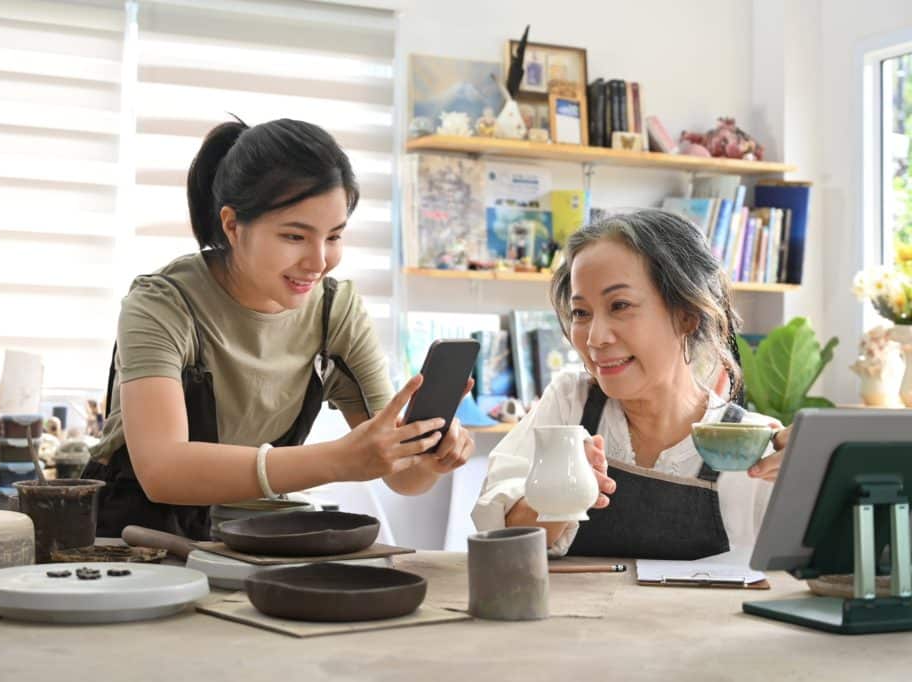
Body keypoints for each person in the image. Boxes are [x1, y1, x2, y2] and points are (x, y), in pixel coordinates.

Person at [84, 118, 473, 539]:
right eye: (294, 236)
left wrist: (428, 458)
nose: (318, 261)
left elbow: (402, 478)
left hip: (256, 535)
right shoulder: (161, 304)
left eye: (334, 236)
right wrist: (339, 460)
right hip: (137, 535)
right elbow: (163, 470)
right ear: (232, 226)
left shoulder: (334, 311)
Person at [472, 209, 788, 560]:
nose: (595, 337)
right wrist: (560, 494)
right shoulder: (570, 403)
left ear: (686, 315)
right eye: (581, 312)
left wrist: (810, 480)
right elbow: (498, 537)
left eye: (619, 305)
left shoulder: (755, 446)